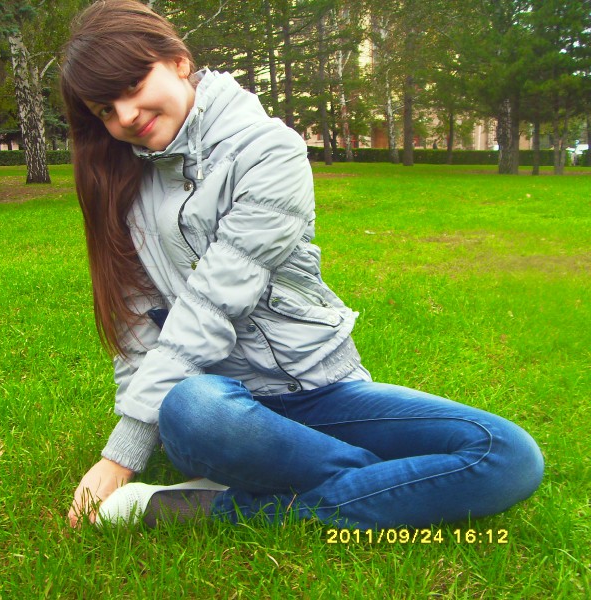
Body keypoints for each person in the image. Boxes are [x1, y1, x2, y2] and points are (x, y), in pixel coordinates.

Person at [60, 0, 543, 529]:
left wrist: (120, 460)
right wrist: (132, 440)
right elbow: (136, 329)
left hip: (320, 391)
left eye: (132, 87)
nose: (125, 116)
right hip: (222, 409)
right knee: (191, 407)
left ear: (178, 62)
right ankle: (387, 482)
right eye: (105, 111)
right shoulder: (121, 184)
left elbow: (213, 303)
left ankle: (214, 508)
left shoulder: (270, 151)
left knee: (508, 455)